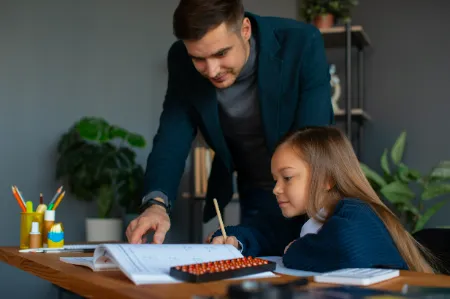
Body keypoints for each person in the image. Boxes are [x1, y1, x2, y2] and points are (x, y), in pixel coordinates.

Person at [126, 0, 333, 245]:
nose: (212, 70)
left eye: (221, 53)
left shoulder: (301, 42)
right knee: (258, 261)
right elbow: (171, 138)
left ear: (245, 29)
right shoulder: (180, 60)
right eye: (199, 59)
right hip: (254, 185)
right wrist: (156, 205)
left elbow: (314, 134)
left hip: (308, 181)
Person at [210, 126, 435, 273]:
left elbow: (348, 247)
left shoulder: (357, 212)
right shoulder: (302, 221)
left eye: (287, 177)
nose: (277, 189)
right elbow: (261, 232)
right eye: (275, 180)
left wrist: (293, 251)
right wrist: (232, 240)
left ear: (327, 179)